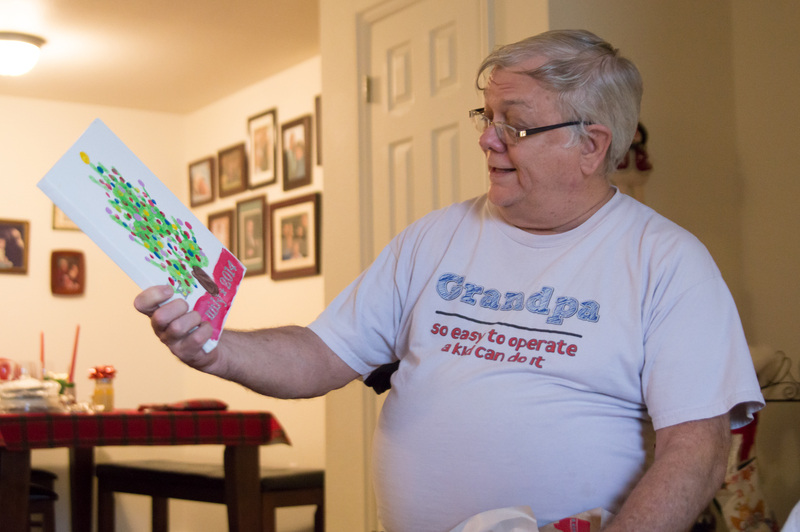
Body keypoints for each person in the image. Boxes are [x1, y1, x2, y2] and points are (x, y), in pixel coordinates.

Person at [135, 30, 764, 532]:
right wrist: (215, 347)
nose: (488, 140)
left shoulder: (667, 261)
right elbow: (320, 354)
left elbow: (697, 449)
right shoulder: (433, 237)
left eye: (514, 124)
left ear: (591, 146)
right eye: (485, 117)